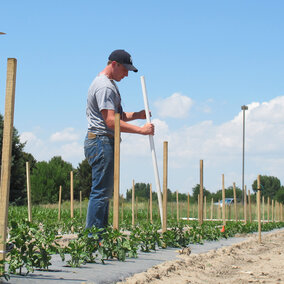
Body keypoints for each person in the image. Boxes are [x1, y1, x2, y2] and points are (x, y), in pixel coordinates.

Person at [85, 49, 154, 231]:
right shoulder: (105, 87)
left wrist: (138, 115)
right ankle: (93, 237)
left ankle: (100, 234)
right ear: (114, 65)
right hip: (101, 141)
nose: (126, 74)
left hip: (102, 141)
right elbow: (110, 121)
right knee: (100, 192)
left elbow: (118, 116)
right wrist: (141, 130)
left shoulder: (108, 85)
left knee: (104, 191)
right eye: (125, 70)